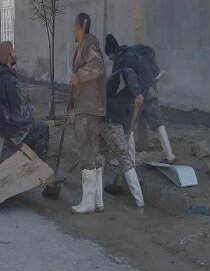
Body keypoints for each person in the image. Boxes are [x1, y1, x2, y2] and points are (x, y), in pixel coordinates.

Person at [104, 34, 176, 163]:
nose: (110, 60)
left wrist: (136, 94)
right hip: (150, 89)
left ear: (112, 52)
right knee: (157, 122)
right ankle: (170, 154)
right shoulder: (135, 52)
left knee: (127, 125)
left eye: (109, 57)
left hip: (136, 94)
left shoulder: (120, 61)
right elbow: (153, 68)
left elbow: (128, 78)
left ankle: (130, 159)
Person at [69, 13, 107, 214]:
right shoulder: (87, 44)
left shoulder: (87, 44)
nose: (73, 32)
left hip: (88, 107)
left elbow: (98, 66)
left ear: (80, 27)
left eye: (74, 28)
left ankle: (88, 202)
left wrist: (80, 76)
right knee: (94, 152)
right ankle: (98, 200)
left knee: (86, 151)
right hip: (93, 106)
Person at [0, 41, 49, 159]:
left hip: (1, 127)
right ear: (8, 57)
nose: (15, 54)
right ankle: (40, 170)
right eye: (13, 51)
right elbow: (20, 115)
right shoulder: (9, 80)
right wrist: (31, 110)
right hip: (11, 131)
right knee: (42, 128)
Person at [103, 67, 145, 207]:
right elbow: (129, 74)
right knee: (123, 156)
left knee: (103, 156)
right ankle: (140, 201)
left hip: (114, 117)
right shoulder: (129, 71)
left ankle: (96, 200)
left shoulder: (119, 81)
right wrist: (137, 94)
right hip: (111, 119)